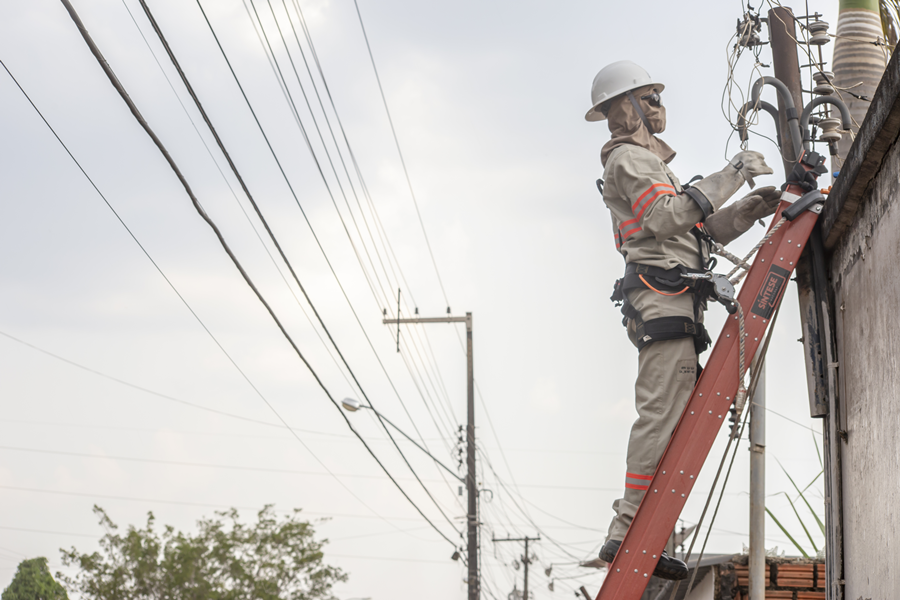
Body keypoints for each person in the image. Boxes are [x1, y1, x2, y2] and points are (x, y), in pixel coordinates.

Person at [585, 60, 781, 580]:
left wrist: (748, 210)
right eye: (648, 98)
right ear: (624, 107)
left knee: (673, 419)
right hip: (662, 302)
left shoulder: (651, 165)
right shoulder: (629, 160)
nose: (657, 107)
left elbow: (694, 234)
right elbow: (668, 217)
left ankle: (650, 533)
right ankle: (628, 531)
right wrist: (733, 173)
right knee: (661, 416)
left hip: (675, 301)